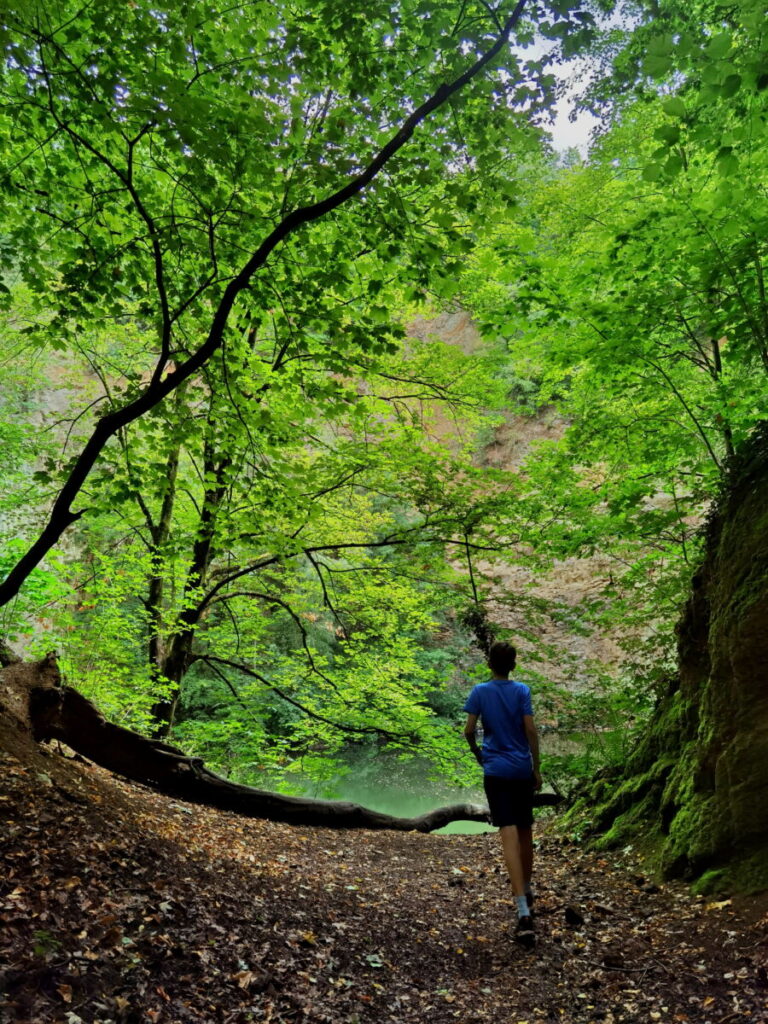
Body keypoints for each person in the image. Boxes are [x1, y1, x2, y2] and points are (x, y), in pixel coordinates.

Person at [463, 641, 541, 948]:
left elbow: (469, 730)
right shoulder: (521, 690)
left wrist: (479, 754)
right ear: (514, 664)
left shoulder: (479, 691)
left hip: (495, 771)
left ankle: (522, 909)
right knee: (525, 830)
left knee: (507, 831)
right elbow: (531, 730)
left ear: (489, 664)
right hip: (521, 769)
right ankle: (529, 886)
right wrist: (536, 767)